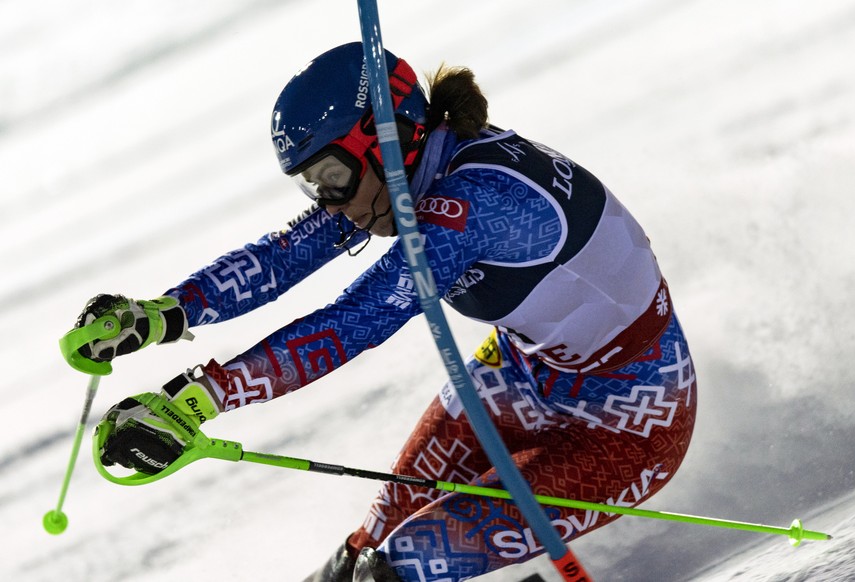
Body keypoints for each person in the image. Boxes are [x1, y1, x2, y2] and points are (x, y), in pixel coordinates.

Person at [74, 42, 697, 581]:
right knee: (362, 548)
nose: (332, 204)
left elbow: (355, 320)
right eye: (311, 185)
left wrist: (200, 399)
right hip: (522, 377)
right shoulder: (409, 173)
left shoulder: (475, 199)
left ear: (385, 136)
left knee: (398, 568)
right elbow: (284, 256)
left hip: (632, 424)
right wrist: (160, 315)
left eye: (331, 177)